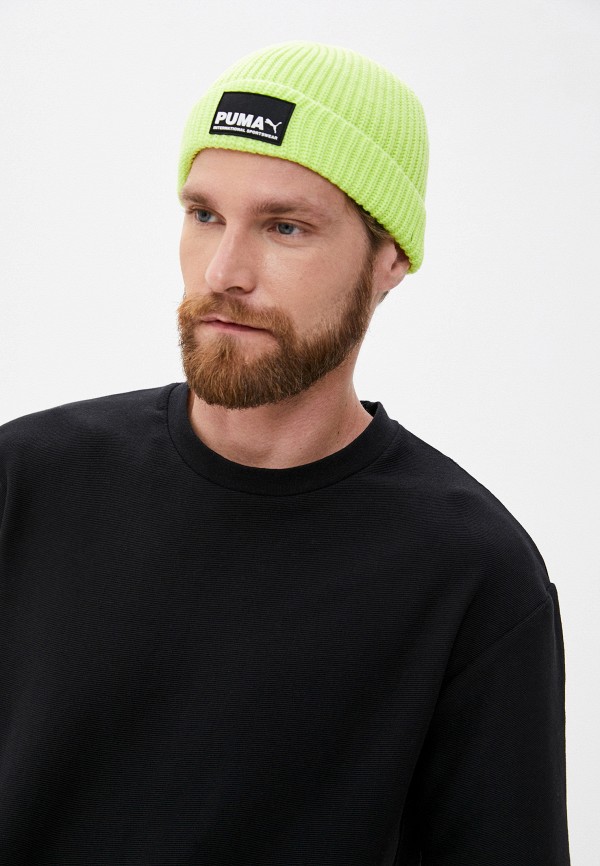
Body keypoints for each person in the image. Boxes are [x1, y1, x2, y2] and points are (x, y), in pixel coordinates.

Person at [0, 41, 570, 865]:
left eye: (285, 227)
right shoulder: (27, 479)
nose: (225, 272)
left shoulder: (472, 573)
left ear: (390, 259)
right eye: (204, 215)